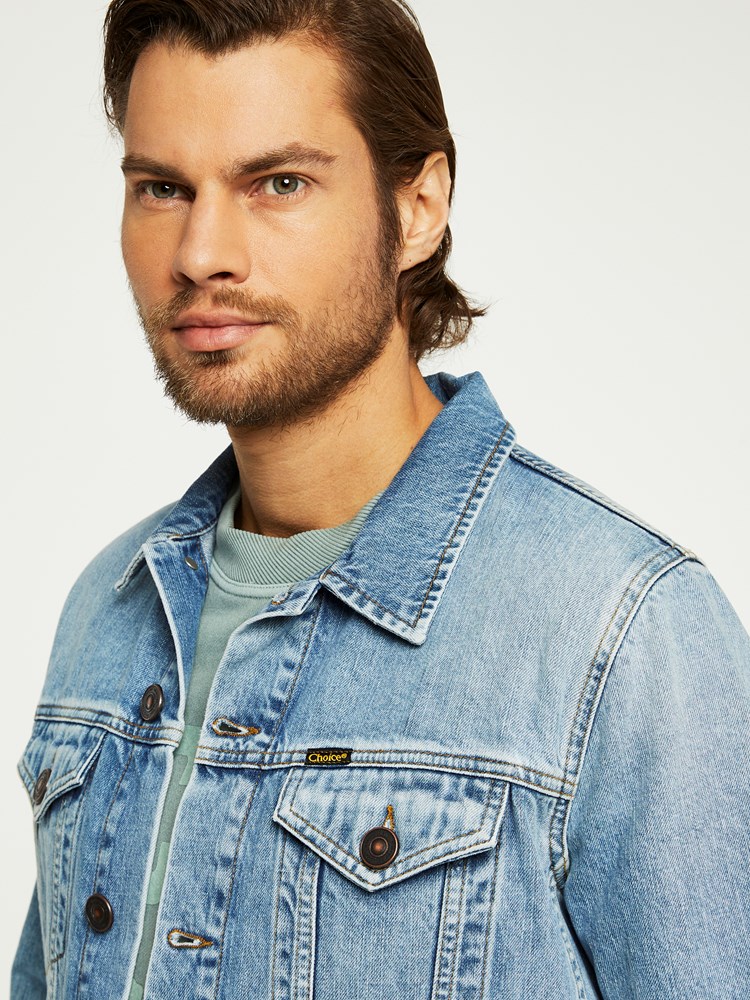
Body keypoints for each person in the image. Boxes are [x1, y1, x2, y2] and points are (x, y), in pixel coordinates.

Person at [12, 0, 749, 997]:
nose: (200, 253)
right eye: (162, 188)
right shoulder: (112, 606)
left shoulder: (620, 634)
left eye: (278, 182)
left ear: (418, 208)